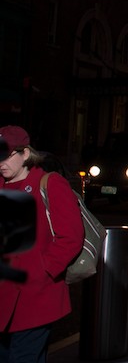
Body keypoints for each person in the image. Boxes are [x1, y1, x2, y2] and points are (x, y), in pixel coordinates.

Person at [0, 126, 83, 363]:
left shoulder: (50, 183)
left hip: (35, 295)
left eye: (6, 155)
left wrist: (43, 269)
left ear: (25, 153)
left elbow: (71, 237)